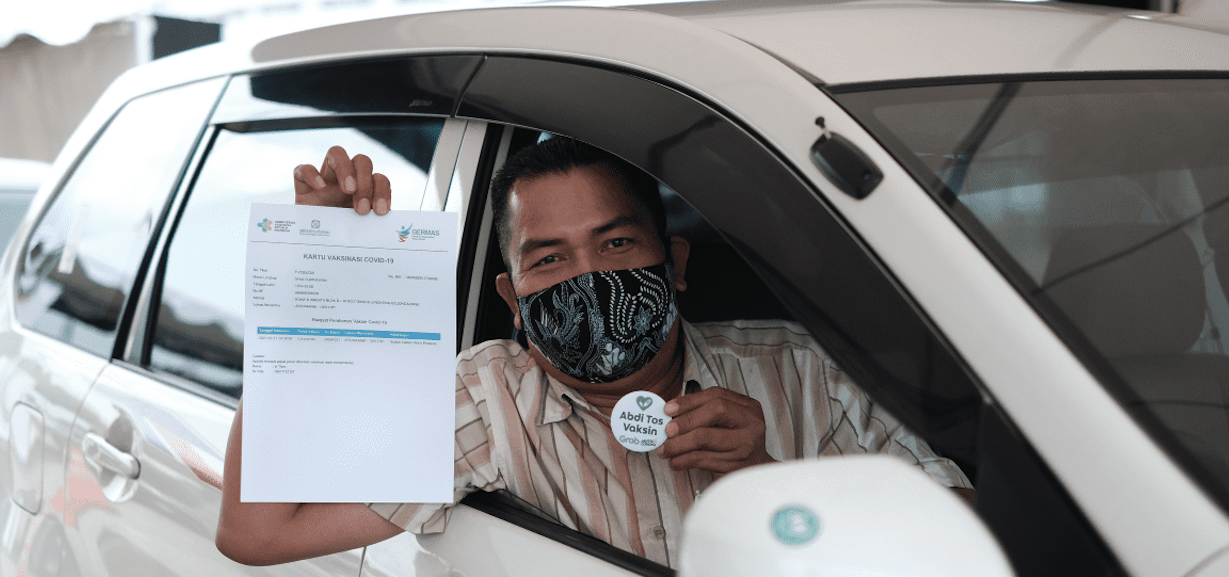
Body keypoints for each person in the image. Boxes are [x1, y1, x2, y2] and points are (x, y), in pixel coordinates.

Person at [217, 137, 973, 567]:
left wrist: (767, 478)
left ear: (673, 264)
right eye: (549, 260)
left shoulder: (803, 375)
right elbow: (258, 532)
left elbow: (965, 543)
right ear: (514, 301)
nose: (590, 279)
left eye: (615, 243)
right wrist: (309, 278)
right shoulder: (484, 401)